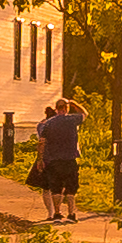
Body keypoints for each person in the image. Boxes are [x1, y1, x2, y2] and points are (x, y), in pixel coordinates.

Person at [28, 94, 87, 228]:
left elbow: (41, 142)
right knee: (71, 188)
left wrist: (40, 159)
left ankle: (57, 213)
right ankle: (71, 214)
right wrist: (74, 103)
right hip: (70, 158)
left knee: (56, 188)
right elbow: (85, 113)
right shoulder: (73, 119)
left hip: (54, 160)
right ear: (66, 108)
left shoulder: (48, 123)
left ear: (56, 109)